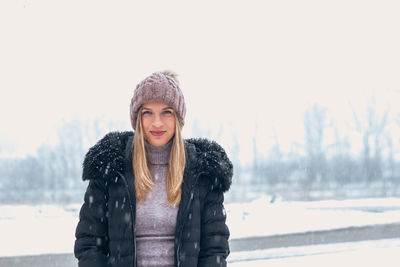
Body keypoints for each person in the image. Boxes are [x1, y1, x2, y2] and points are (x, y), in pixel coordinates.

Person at [74, 71, 233, 267]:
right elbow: (89, 243)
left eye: (166, 112)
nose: (157, 122)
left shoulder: (202, 173)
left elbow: (214, 248)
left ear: (178, 118)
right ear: (137, 119)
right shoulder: (111, 169)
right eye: (147, 112)